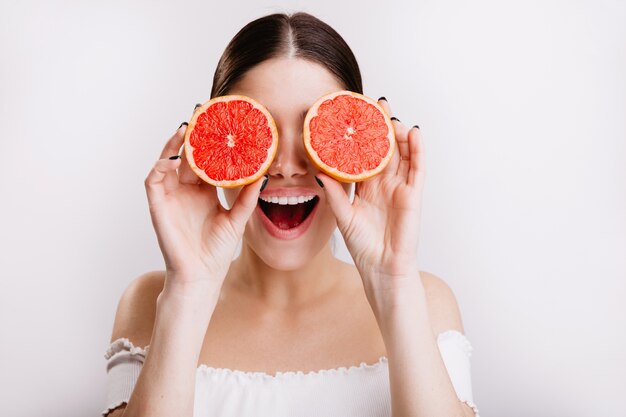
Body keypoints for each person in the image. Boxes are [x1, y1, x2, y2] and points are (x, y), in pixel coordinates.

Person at [102, 11, 480, 417]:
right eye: (259, 132)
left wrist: (394, 287)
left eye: (314, 134)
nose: (285, 165)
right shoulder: (151, 303)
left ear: (354, 150)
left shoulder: (425, 301)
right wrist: (189, 289)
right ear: (213, 142)